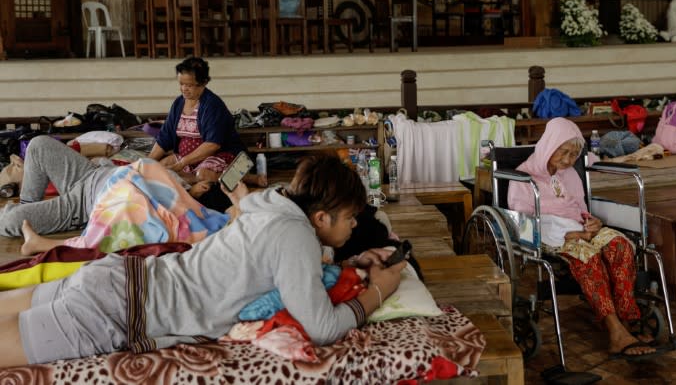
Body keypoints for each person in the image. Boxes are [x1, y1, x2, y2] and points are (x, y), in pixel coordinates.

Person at [0, 154, 405, 368]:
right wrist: (377, 294)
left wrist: (342, 257)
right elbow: (322, 328)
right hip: (119, 310)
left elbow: (288, 251)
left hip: (119, 276)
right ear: (321, 217)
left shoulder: (268, 206)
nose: (354, 226)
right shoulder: (295, 237)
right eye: (351, 218)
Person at [507, 118, 657, 360]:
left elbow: (579, 207)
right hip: (553, 235)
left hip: (580, 228)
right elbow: (523, 222)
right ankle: (615, 331)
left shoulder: (569, 174)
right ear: (549, 145)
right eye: (563, 152)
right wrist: (571, 234)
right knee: (589, 257)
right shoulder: (523, 178)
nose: (568, 160)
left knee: (620, 246)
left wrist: (591, 220)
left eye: (573, 155)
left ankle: (627, 319)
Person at [0, 135, 228, 246]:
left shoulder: (168, 211)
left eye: (204, 184)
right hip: (89, 173)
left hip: (84, 203)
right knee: (39, 144)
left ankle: (26, 215)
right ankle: (30, 208)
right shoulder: (177, 183)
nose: (201, 181)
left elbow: (115, 227)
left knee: (11, 223)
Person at [148, 57, 248, 183]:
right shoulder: (179, 103)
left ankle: (244, 177)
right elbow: (165, 137)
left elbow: (212, 144)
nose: (184, 89)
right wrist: (147, 161)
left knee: (203, 175)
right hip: (187, 159)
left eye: (189, 85)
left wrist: (181, 164)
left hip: (219, 155)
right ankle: (191, 181)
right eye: (181, 84)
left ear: (204, 82)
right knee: (158, 170)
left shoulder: (212, 105)